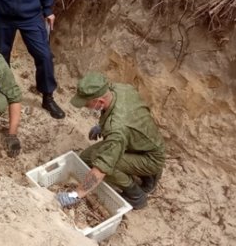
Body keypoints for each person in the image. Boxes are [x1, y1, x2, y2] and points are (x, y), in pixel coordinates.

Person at [57, 72, 166, 210]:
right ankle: (147, 174)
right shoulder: (120, 89)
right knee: (85, 158)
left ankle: (136, 195)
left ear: (100, 102)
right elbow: (129, 115)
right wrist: (102, 126)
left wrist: (75, 195)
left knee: (100, 164)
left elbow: (102, 168)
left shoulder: (116, 129)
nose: (85, 106)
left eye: (86, 104)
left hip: (151, 157)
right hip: (146, 142)